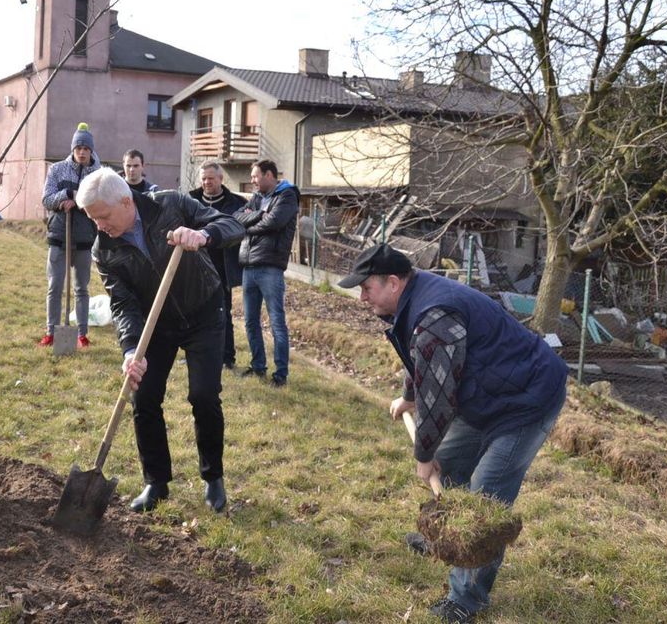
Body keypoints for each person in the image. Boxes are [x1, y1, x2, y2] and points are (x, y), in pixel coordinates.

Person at [340, 244, 567, 624]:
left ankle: (466, 599)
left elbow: (439, 399)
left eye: (366, 289)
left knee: (484, 505)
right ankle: (441, 537)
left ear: (393, 283)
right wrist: (409, 398)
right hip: (487, 395)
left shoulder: (435, 315)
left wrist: (423, 456)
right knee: (453, 469)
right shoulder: (417, 299)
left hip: (526, 404)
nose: (362, 297)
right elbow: (422, 363)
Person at [76, 167, 245, 513]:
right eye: (93, 220)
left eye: (103, 217)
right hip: (156, 326)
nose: (99, 226)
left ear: (125, 201)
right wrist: (130, 348)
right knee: (144, 397)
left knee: (203, 395)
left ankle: (213, 477)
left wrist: (204, 235)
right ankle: (156, 482)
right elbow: (122, 302)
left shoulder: (170, 205)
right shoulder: (103, 249)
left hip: (203, 311)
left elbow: (234, 224)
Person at [235, 159, 299, 387]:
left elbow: (273, 223)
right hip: (249, 266)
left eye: (255, 176)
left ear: (269, 175)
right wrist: (256, 216)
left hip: (270, 267)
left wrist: (249, 226)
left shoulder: (287, 196)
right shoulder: (257, 197)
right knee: (251, 321)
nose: (252, 180)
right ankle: (258, 366)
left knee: (277, 323)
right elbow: (237, 216)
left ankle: (280, 375)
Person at [40, 122, 101, 349]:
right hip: (59, 236)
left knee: (81, 288)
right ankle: (51, 333)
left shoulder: (97, 174)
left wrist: (79, 200)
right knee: (55, 286)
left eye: (86, 148)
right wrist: (65, 194)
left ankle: (81, 334)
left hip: (85, 238)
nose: (82, 152)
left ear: (91, 151)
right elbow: (46, 199)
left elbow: (100, 202)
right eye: (79, 148)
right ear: (73, 149)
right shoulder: (57, 170)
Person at [188, 161, 245, 369]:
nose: (206, 182)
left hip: (223, 267)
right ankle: (195, 353)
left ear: (221, 179)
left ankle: (227, 357)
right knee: (194, 313)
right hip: (195, 266)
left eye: (210, 178)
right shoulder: (190, 199)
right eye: (203, 178)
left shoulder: (235, 203)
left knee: (223, 313)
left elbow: (238, 230)